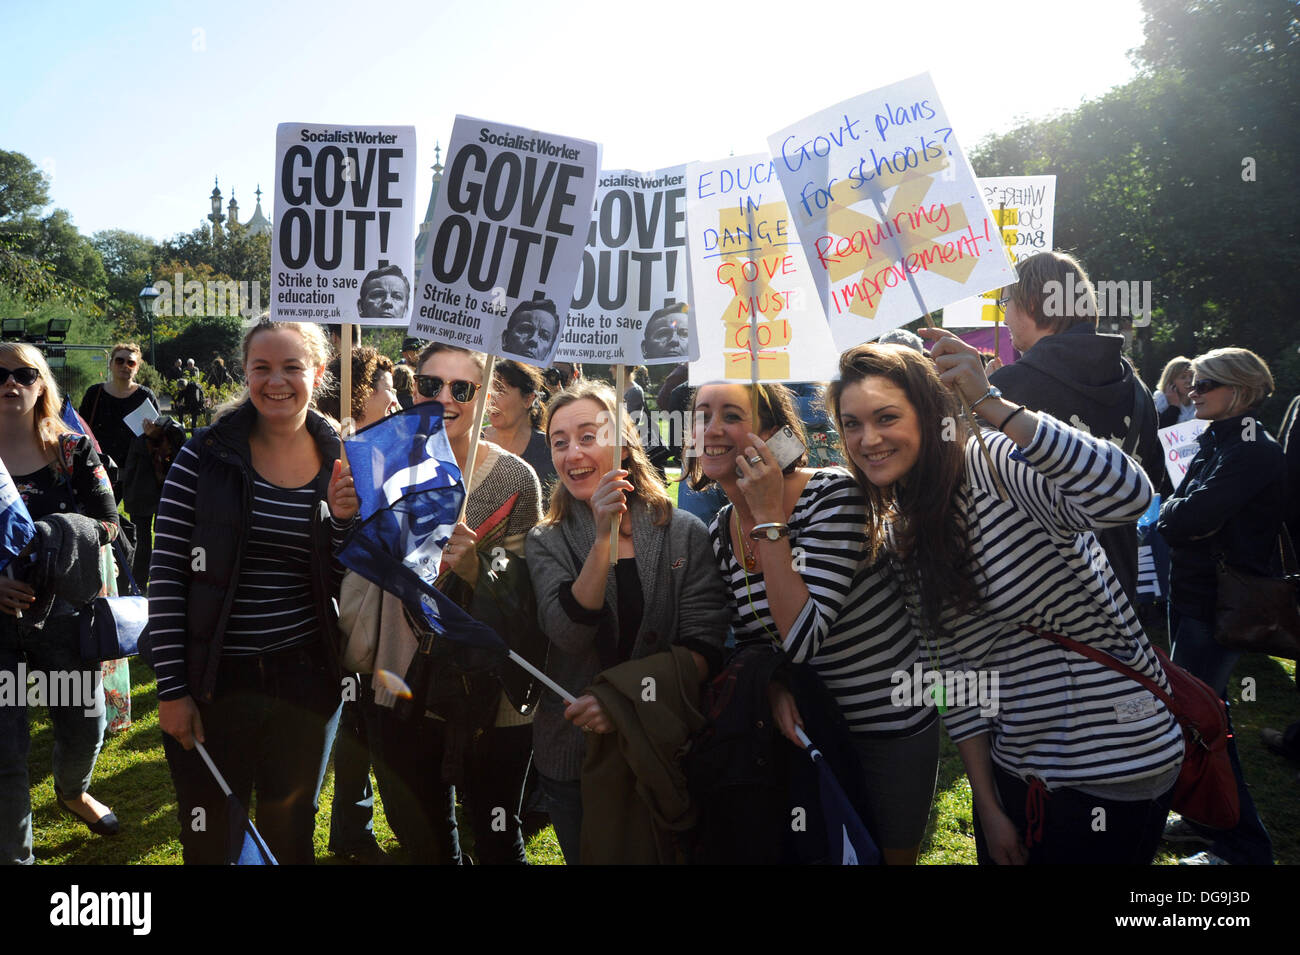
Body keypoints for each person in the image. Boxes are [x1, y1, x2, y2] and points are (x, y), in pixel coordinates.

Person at [827, 334, 1183, 864]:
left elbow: (1128, 493)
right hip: (1017, 770)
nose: (868, 439)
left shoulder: (993, 465)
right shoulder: (905, 530)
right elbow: (956, 670)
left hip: (1113, 763)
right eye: (851, 423)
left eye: (886, 417)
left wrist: (990, 403)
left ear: (927, 415)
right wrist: (988, 805)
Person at [687, 381, 935, 864]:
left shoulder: (833, 494)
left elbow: (801, 638)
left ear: (773, 435)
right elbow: (759, 644)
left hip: (884, 726)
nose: (711, 429)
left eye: (732, 415)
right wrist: (774, 687)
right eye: (701, 415)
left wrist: (766, 516)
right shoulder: (720, 531)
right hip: (808, 731)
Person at [150, 320, 357, 864]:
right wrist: (172, 689)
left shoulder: (345, 459)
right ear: (244, 372)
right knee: (212, 836)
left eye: (292, 367)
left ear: (318, 372)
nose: (276, 382)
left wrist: (342, 523)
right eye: (262, 368)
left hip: (306, 680)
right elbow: (168, 573)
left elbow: (347, 581)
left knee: (290, 836)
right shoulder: (204, 456)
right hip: (214, 682)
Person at [526, 380, 729, 862]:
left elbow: (705, 648)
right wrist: (601, 542)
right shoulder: (546, 540)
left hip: (664, 745)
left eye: (589, 435)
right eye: (559, 442)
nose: (573, 452)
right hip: (573, 755)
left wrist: (620, 701)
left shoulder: (684, 533)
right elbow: (569, 634)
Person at [362, 343, 542, 864]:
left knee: (497, 843)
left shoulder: (513, 477)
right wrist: (345, 517)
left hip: (487, 694)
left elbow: (525, 594)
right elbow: (353, 569)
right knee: (426, 841)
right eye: (430, 385)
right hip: (401, 679)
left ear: (485, 396)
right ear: (412, 388)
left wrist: (474, 569)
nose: (445, 398)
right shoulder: (381, 460)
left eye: (462, 388)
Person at [1156, 347, 1282, 865]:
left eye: (1206, 384)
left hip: (1218, 603)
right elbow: (1180, 507)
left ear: (1240, 391)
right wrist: (1177, 511)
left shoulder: (1252, 449)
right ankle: (1208, 819)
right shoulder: (1221, 439)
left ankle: (1243, 847)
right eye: (1192, 383)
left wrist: (1175, 512)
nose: (1192, 391)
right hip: (1193, 593)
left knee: (1203, 719)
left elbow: (1183, 517)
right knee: (1208, 713)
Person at [1, 343, 120, 864]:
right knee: (6, 749)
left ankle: (72, 792)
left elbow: (115, 525)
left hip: (64, 620)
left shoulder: (73, 451)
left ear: (42, 384)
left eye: (24, 375)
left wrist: (59, 534)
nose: (10, 384)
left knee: (83, 725)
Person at [988, 251, 1162, 606]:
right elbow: (1150, 479)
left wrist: (987, 401)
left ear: (1033, 302)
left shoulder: (1010, 387)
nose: (1003, 316)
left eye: (1005, 301)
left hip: (1040, 585)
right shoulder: (1136, 385)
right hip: (1117, 582)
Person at [78, 342, 160, 487]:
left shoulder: (145, 396)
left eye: (131, 363)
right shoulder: (94, 393)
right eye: (119, 360)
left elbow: (159, 434)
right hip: (99, 469)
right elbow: (80, 429)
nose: (125, 365)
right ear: (111, 364)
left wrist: (153, 431)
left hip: (136, 472)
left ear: (137, 368)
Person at [486, 360, 555, 502]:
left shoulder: (549, 449)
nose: (491, 400)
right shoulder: (473, 441)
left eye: (500, 391)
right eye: (488, 391)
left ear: (528, 400)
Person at [1155, 356, 1196, 428]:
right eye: (1183, 377)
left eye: (1192, 376)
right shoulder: (1159, 402)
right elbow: (1159, 430)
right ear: (1170, 381)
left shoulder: (1199, 399)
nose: (1189, 381)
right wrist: (1174, 407)